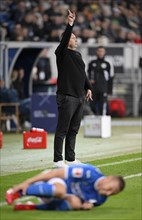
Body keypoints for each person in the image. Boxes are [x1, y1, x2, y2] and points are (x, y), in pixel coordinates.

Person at [53, 10, 93, 167]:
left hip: (79, 97)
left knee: (74, 129)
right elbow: (65, 39)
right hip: (66, 96)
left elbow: (82, 74)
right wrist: (70, 24)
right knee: (62, 129)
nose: (76, 40)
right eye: (73, 38)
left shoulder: (77, 55)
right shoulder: (61, 53)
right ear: (66, 40)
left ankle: (70, 158)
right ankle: (57, 159)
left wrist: (88, 87)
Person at [6, 163, 125, 211]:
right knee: (60, 190)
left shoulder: (101, 199)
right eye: (110, 189)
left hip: (60, 197)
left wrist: (86, 206)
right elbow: (56, 173)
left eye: (112, 193)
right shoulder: (89, 172)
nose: (108, 193)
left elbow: (84, 202)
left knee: (76, 204)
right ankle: (16, 192)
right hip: (52, 181)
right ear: (108, 178)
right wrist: (28, 181)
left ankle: (33, 207)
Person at [88, 46, 114, 115]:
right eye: (99, 51)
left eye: (102, 51)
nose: (100, 53)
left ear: (104, 52)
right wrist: (89, 83)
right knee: (92, 105)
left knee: (102, 105)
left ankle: (102, 120)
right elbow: (88, 74)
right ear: (96, 52)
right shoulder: (92, 63)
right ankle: (96, 115)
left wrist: (110, 90)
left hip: (103, 88)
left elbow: (111, 77)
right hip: (93, 88)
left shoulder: (108, 63)